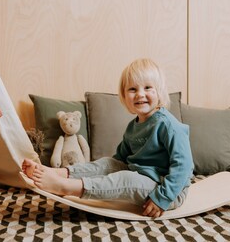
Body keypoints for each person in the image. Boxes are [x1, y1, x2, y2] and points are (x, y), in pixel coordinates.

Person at [22, 58, 194, 218]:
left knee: (126, 178)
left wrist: (163, 197)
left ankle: (65, 187)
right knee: (108, 163)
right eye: (133, 89)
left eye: (148, 88)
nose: (140, 94)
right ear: (124, 96)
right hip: (141, 174)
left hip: (168, 188)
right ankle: (60, 173)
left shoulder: (168, 125)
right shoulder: (133, 126)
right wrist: (104, 170)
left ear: (159, 92)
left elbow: (184, 166)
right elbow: (119, 160)